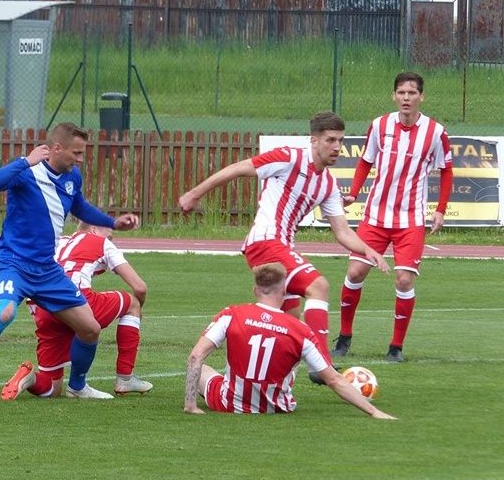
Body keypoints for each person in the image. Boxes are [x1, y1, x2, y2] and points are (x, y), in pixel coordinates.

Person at [178, 112, 390, 376]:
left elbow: (342, 231)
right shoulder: (289, 158)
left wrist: (368, 250)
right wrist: (194, 194)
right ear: (314, 140)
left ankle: (259, 379)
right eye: (330, 140)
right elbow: (238, 168)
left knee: (289, 324)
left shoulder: (328, 184)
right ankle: (322, 365)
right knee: (319, 286)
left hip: (281, 247)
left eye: (340, 141)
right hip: (266, 241)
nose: (337, 147)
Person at [0, 122, 140, 404]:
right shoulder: (27, 171)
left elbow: (80, 207)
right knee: (4, 313)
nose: (80, 159)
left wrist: (113, 223)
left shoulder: (72, 177)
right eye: (76, 153)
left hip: (47, 270)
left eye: (82, 153)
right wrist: (25, 161)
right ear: (57, 148)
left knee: (90, 329)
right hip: (14, 262)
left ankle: (78, 386)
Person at [333, 72, 453, 363]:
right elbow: (366, 161)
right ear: (394, 96)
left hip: (410, 220)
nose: (406, 98)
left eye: (412, 93)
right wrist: (354, 193)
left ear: (421, 97)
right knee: (354, 273)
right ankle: (344, 338)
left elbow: (446, 170)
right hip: (375, 216)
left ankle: (396, 347)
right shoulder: (380, 125)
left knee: (404, 280)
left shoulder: (435, 132)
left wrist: (440, 209)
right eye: (401, 93)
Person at [183, 263, 396, 419]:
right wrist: (374, 412)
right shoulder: (300, 330)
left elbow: (195, 356)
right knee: (293, 362)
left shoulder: (232, 314)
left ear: (255, 290)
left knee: (205, 369)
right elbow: (334, 380)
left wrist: (191, 405)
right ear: (284, 293)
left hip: (230, 403)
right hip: (276, 407)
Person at [1, 221, 152, 401]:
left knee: (53, 388)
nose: (111, 238)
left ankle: (30, 378)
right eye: (109, 233)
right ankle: (121, 378)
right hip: (74, 298)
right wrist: (139, 309)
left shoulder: (60, 241)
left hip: (42, 305)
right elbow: (140, 287)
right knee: (133, 303)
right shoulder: (101, 242)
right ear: (93, 229)